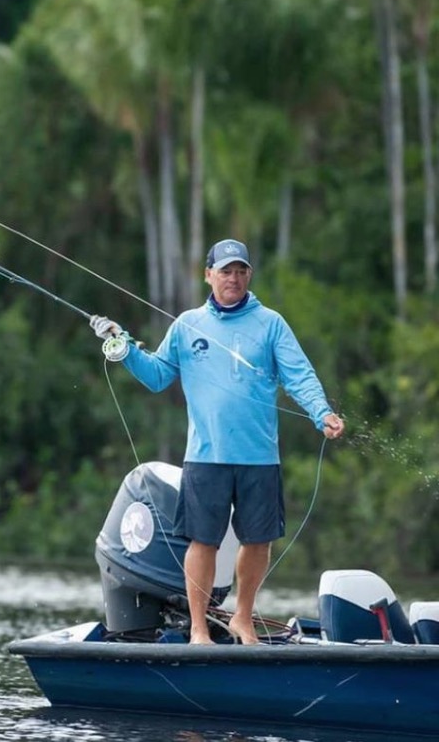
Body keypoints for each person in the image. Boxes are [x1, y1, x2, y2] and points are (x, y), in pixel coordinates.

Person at [90, 238, 345, 645]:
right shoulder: (187, 324)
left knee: (257, 540)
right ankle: (197, 628)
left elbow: (299, 375)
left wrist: (323, 413)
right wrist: (124, 347)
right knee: (203, 540)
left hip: (259, 456)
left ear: (249, 275)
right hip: (206, 457)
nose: (234, 278)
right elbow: (157, 376)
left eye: (241, 270)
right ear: (208, 275)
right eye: (225, 271)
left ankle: (243, 616)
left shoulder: (271, 323)